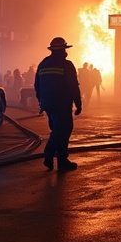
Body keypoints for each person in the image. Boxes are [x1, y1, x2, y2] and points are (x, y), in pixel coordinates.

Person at [35, 37, 83, 172]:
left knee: (57, 129)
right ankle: (51, 153)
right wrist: (78, 104)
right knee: (63, 129)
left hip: (48, 103)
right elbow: (73, 86)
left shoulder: (43, 64)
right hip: (62, 103)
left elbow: (37, 85)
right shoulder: (66, 65)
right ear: (62, 50)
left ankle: (61, 160)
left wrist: (41, 102)